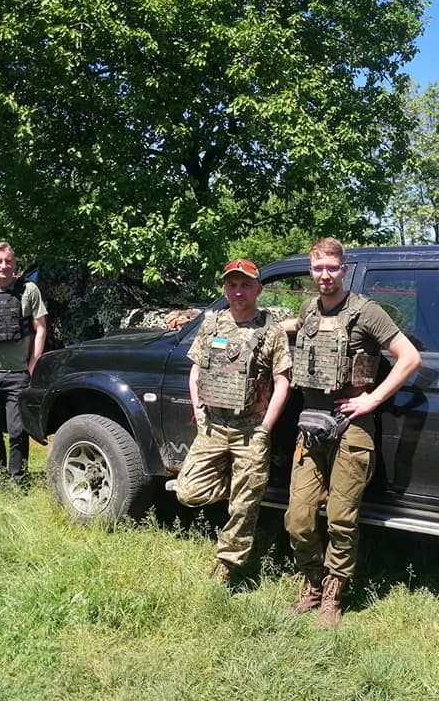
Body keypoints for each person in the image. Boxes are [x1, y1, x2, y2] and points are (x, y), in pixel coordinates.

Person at [283, 237, 422, 627]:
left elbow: (410, 357)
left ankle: (333, 594)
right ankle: (311, 582)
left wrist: (371, 399)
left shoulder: (366, 312)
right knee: (299, 517)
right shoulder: (309, 307)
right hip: (311, 424)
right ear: (311, 271)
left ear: (343, 269)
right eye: (317, 268)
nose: (324, 275)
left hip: (351, 426)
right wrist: (267, 324)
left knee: (341, 518)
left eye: (331, 268)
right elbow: (298, 328)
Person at [175, 258, 292, 584]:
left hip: (250, 429)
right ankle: (246, 489)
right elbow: (196, 370)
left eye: (245, 285)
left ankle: (227, 565)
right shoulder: (211, 325)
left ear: (258, 288)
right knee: (187, 491)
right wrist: (199, 412)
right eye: (232, 285)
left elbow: (283, 381)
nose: (238, 291)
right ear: (225, 288)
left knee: (244, 507)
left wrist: (265, 428)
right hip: (212, 425)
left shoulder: (271, 330)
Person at [0, 242, 48, 483]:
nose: (4, 266)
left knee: (17, 430)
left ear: (15, 264)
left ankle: (18, 478)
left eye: (9, 261)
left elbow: (41, 328)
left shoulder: (28, 290)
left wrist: (33, 364)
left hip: (18, 374)